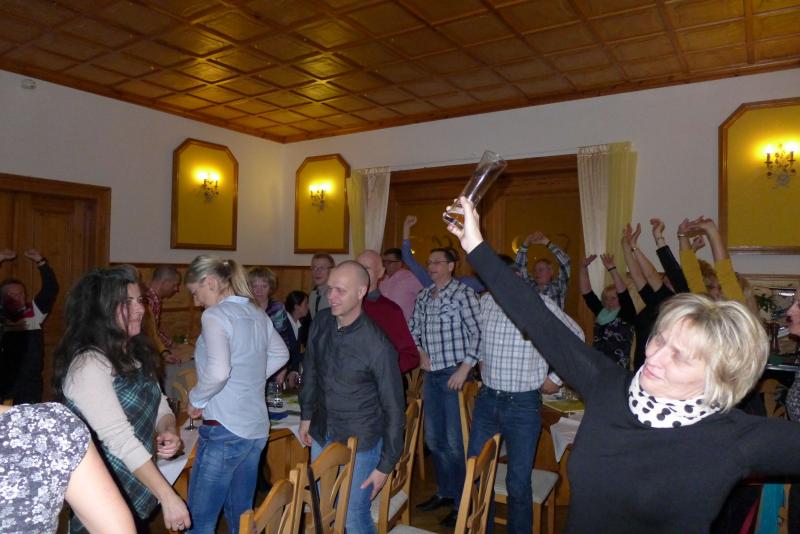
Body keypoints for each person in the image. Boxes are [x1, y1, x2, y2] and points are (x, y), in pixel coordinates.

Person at [448, 196, 800, 533]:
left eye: (679, 356)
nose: (654, 357)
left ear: (720, 376)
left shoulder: (733, 438)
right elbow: (536, 317)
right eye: (660, 339)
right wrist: (475, 244)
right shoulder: (608, 386)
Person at [448, 254, 581, 534]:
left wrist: (556, 378)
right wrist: (475, 362)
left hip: (523, 405)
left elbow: (576, 336)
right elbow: (478, 340)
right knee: (476, 474)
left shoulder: (539, 304)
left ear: (516, 277)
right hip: (488, 401)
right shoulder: (485, 302)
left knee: (518, 484)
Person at [53, 265, 190, 532]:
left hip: (136, 479)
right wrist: (167, 495)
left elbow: (160, 403)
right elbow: (120, 440)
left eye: (139, 300)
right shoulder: (89, 364)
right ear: (101, 310)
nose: (140, 309)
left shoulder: (135, 352)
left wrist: (168, 429)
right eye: (127, 302)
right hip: (101, 490)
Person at [184, 255, 289, 534]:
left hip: (225, 428)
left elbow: (219, 371)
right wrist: (249, 378)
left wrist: (196, 399)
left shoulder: (215, 315)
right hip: (255, 429)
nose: (196, 301)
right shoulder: (256, 312)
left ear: (210, 282)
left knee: (199, 521)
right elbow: (281, 354)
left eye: (196, 292)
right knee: (241, 515)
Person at [299, 261, 405, 534]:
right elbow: (311, 368)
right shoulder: (322, 321)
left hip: (362, 439)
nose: (331, 296)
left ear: (361, 292)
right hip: (322, 430)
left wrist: (385, 466)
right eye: (330, 289)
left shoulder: (378, 345)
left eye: (341, 291)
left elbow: (394, 408)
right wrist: (306, 414)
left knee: (352, 516)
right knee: (323, 508)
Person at [410, 247, 481, 527]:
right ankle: (446, 492)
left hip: (455, 374)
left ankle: (464, 501)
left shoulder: (464, 294)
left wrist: (465, 368)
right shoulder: (424, 295)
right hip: (432, 375)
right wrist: (420, 352)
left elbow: (479, 333)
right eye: (429, 262)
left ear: (451, 266)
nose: (431, 266)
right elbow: (413, 328)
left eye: (437, 262)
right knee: (434, 440)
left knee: (455, 443)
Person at [0, 402, 136, 534]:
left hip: (102, 475)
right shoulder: (49, 424)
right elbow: (119, 436)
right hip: (103, 472)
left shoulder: (48, 425)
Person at [0, 248, 58, 404]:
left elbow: (50, 289)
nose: (17, 298)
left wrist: (41, 262)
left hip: (29, 382)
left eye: (20, 294)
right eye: (12, 294)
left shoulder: (34, 312)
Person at [357, 249, 420, 374]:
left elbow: (410, 355)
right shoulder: (344, 305)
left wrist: (383, 373)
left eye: (367, 268)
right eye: (358, 268)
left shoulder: (389, 310)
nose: (360, 273)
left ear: (380, 273)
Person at [401, 215, 485, 293]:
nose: (431, 266)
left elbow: (490, 280)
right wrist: (406, 227)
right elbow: (408, 259)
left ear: (456, 264)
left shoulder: (467, 283)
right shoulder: (430, 282)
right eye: (430, 262)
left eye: (452, 259)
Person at [579, 253, 634, 367]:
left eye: (613, 298)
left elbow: (623, 293)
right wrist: (583, 268)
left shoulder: (627, 313)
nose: (608, 302)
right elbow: (587, 293)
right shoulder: (601, 312)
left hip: (618, 368)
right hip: (596, 364)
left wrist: (612, 269)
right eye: (605, 298)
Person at [248, 266, 294, 383]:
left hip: (273, 361)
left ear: (270, 288)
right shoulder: (243, 308)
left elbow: (284, 338)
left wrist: (283, 368)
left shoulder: (277, 308)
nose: (259, 291)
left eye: (264, 286)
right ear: (249, 287)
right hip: (248, 363)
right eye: (255, 286)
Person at [514, 231, 570, 309]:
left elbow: (565, 263)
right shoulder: (530, 286)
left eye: (541, 270)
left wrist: (546, 242)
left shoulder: (558, 287)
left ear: (551, 270)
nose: (537, 273)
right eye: (534, 270)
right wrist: (526, 244)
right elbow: (519, 268)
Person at [143, 265, 184, 364]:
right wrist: (167, 350)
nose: (176, 289)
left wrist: (170, 345)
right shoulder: (149, 301)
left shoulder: (153, 298)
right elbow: (150, 334)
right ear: (165, 283)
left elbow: (153, 330)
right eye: (174, 285)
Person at [379, 247, 423, 321]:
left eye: (389, 262)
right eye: (383, 261)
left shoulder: (410, 278)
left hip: (404, 324)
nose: (385, 265)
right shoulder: (381, 280)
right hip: (383, 323)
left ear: (399, 263)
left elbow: (424, 297)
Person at [283, 290, 308, 389]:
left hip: (291, 373)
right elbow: (288, 354)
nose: (308, 307)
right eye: (305, 304)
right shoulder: (284, 325)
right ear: (297, 306)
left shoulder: (298, 325)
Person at [309, 253, 334, 319]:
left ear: (331, 270)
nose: (317, 272)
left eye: (321, 268)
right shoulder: (312, 295)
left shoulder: (335, 296)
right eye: (314, 268)